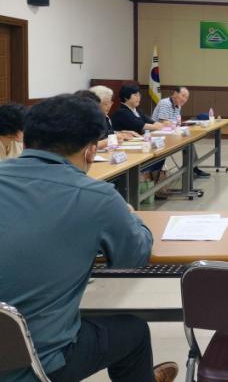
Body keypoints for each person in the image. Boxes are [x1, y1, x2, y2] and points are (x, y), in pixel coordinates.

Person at [0, 94, 177, 382]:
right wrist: (131, 216)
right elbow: (135, 257)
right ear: (91, 151)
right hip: (37, 363)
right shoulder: (97, 197)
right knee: (133, 332)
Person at [150, 86, 210, 179]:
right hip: (158, 134)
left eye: (187, 97)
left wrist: (179, 126)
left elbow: (176, 122)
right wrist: (177, 126)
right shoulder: (165, 103)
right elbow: (164, 122)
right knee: (187, 141)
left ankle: (193, 167)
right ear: (175, 94)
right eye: (183, 96)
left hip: (170, 133)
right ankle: (191, 168)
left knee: (189, 141)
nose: (184, 99)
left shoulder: (178, 105)